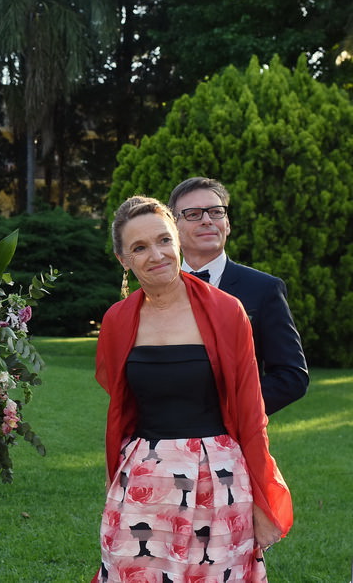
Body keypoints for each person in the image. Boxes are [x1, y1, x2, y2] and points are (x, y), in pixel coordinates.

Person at [94, 195, 292, 582]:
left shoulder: (227, 310)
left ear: (177, 241)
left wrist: (263, 503)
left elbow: (251, 414)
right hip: (143, 482)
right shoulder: (117, 320)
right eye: (139, 247)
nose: (156, 255)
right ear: (124, 260)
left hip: (218, 481)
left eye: (164, 240)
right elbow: (120, 407)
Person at [168, 177, 308, 414]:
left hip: (235, 440)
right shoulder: (158, 291)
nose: (207, 220)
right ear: (173, 227)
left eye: (215, 212)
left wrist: (229, 410)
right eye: (193, 214)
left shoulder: (264, 289)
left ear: (228, 223)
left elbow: (292, 376)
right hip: (163, 438)